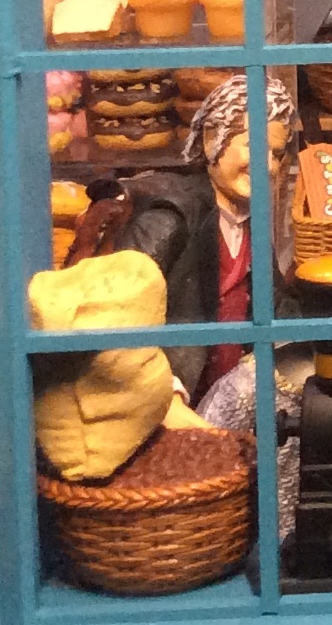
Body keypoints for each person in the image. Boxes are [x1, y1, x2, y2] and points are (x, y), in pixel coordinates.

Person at [118, 73, 298, 401]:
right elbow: (119, 324)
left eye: (276, 154)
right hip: (170, 400)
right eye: (255, 147)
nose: (268, 166)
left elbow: (275, 306)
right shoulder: (170, 219)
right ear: (211, 139)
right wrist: (168, 397)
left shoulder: (251, 223)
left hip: (233, 396)